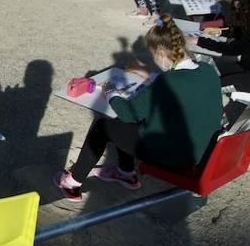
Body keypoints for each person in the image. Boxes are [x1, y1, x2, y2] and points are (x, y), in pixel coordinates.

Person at [55, 16, 223, 201]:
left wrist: (111, 91)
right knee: (124, 126)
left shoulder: (167, 82)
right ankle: (125, 172)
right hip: (199, 150)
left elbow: (128, 114)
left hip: (175, 156)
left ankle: (72, 182)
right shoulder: (207, 71)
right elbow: (182, 88)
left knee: (103, 127)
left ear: (160, 52)